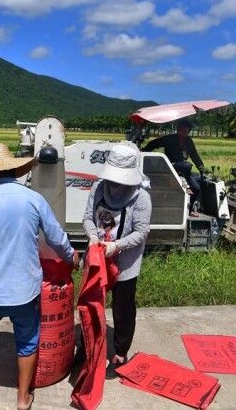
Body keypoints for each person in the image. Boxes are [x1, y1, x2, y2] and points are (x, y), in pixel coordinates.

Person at [0, 143, 79, 410]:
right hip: (24, 290)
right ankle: (22, 397)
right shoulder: (33, 199)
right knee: (27, 341)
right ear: (15, 170)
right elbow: (55, 237)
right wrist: (70, 256)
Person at [82, 144, 152, 379]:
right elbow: (88, 218)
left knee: (123, 309)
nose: (114, 184)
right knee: (91, 304)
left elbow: (141, 232)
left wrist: (116, 246)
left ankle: (120, 352)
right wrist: (93, 236)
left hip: (125, 262)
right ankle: (89, 345)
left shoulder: (141, 197)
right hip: (96, 257)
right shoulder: (99, 188)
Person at [141, 119, 210, 212]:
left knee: (196, 188)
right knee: (187, 166)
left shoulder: (189, 142)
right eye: (181, 130)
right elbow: (154, 143)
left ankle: (188, 211)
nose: (183, 133)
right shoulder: (169, 139)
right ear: (178, 130)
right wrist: (144, 152)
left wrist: (202, 168)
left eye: (186, 131)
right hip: (170, 167)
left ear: (188, 132)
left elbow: (195, 156)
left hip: (183, 169)